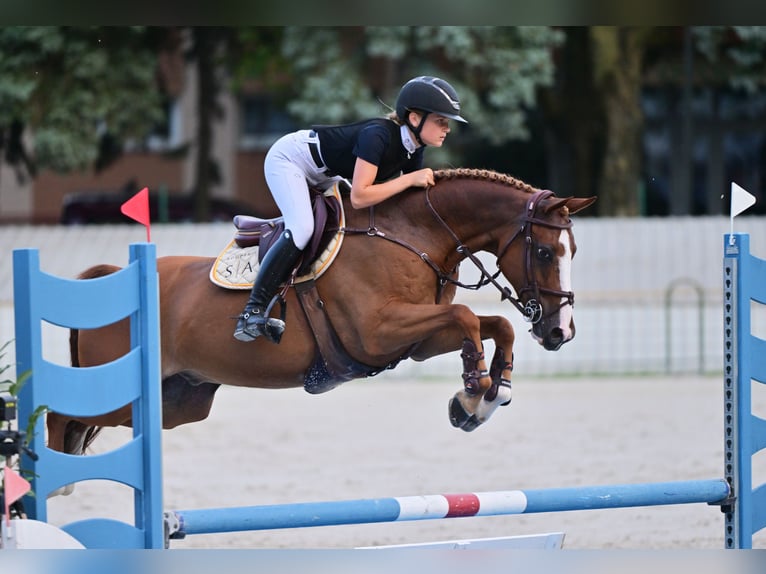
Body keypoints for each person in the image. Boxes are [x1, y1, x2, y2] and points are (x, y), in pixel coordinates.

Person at [234, 75, 468, 344]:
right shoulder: (378, 135)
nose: (447, 128)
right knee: (302, 227)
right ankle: (252, 309)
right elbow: (360, 195)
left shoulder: (413, 148)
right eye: (441, 120)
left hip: (326, 173)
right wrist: (407, 180)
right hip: (290, 160)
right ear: (415, 119)